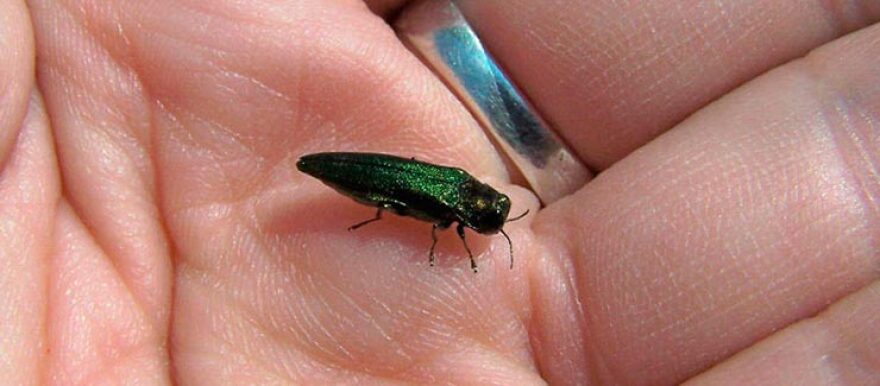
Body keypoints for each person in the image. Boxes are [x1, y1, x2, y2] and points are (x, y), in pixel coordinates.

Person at [1, 0, 877, 384]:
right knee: (381, 197)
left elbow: (439, 204)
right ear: (475, 211)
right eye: (484, 224)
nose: (479, 227)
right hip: (361, 173)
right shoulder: (458, 205)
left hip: (367, 174)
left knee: (382, 196)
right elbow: (432, 210)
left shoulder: (461, 195)